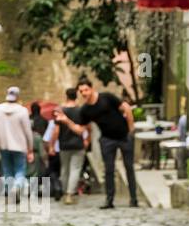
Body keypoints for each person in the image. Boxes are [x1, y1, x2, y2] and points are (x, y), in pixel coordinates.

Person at [55, 76, 139, 209]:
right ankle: (109, 200)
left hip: (124, 136)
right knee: (109, 170)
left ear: (91, 88)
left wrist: (131, 130)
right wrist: (67, 121)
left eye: (86, 90)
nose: (84, 93)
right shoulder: (85, 110)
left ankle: (134, 199)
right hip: (107, 140)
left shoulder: (107, 97)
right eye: (81, 91)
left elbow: (126, 108)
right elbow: (80, 129)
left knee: (129, 168)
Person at [0, 86, 34, 197]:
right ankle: (17, 187)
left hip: (3, 145)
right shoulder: (22, 111)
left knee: (7, 170)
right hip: (20, 145)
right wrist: (30, 148)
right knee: (20, 169)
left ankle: (11, 189)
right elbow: (28, 132)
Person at [46, 86, 88, 205]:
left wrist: (51, 146)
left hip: (64, 144)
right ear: (76, 96)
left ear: (66, 95)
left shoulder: (61, 111)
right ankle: (70, 194)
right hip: (78, 144)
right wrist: (87, 140)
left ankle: (65, 192)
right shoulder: (81, 111)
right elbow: (87, 128)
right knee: (75, 169)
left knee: (64, 169)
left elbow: (56, 131)